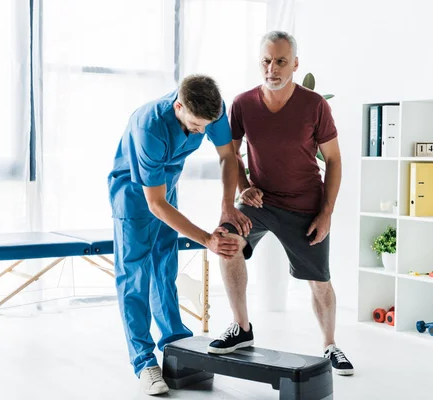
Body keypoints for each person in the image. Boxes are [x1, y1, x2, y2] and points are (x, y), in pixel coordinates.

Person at [206, 31, 355, 376]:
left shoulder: (315, 105)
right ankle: (241, 328)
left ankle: (330, 345)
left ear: (296, 64)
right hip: (260, 203)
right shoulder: (243, 103)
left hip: (305, 206)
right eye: (266, 61)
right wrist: (244, 187)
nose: (272, 68)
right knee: (227, 243)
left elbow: (333, 160)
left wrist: (326, 213)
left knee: (319, 281)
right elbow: (230, 153)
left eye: (281, 61)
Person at [107, 74, 252, 395]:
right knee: (135, 275)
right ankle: (144, 361)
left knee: (164, 266)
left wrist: (228, 207)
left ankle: (175, 342)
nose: (202, 131)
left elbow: (228, 156)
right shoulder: (150, 127)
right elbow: (154, 204)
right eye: (197, 125)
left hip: (165, 185)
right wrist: (206, 240)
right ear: (179, 106)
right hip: (133, 192)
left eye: (207, 125)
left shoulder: (211, 109)